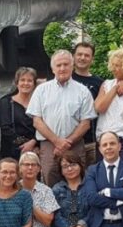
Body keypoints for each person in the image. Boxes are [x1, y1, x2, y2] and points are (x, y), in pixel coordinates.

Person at [27, 50, 98, 186]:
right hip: (49, 145)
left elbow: (85, 123)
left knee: (77, 182)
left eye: (66, 64)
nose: (62, 68)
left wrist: (67, 142)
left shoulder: (83, 91)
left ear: (72, 66)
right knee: (50, 179)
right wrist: (57, 141)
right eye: (58, 65)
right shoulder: (41, 90)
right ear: (52, 69)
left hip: (75, 144)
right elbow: (37, 121)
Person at [0, 67, 38, 160]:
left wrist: (33, 143)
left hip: (35, 149)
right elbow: (5, 128)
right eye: (22, 80)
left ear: (34, 84)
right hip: (12, 150)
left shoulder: (38, 103)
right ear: (17, 83)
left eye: (29, 81)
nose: (26, 83)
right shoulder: (6, 103)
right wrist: (25, 144)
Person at [71, 41, 102, 147]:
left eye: (87, 55)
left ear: (92, 59)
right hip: (65, 138)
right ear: (73, 56)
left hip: (90, 140)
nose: (82, 58)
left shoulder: (99, 83)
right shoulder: (65, 79)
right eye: (79, 54)